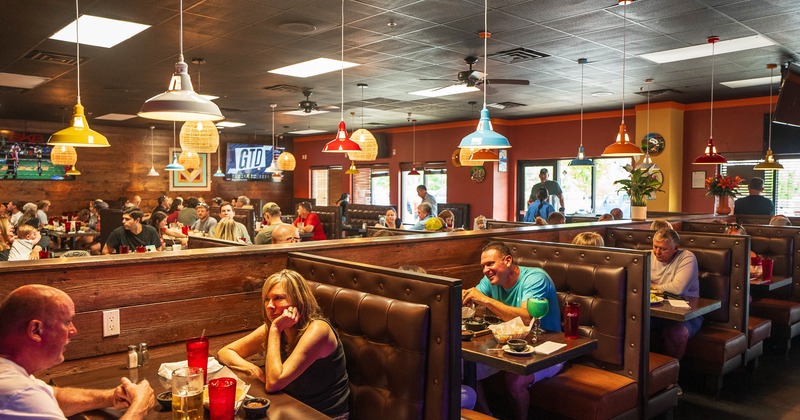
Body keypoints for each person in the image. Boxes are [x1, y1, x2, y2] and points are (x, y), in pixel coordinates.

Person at [0, 284, 155, 418]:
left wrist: (111, 397)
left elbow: (54, 396)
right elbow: (33, 397)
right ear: (36, 330)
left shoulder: (12, 374)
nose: (74, 330)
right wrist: (139, 406)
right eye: (67, 322)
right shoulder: (19, 392)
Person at [218, 269, 350, 418]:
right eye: (267, 299)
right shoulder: (275, 327)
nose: (269, 306)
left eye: (278, 298)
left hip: (323, 415)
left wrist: (275, 330)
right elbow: (225, 352)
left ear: (298, 301)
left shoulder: (318, 330)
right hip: (289, 407)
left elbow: (274, 384)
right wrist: (252, 368)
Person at [461, 242, 561, 420]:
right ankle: (488, 415)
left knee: (515, 380)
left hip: (549, 350)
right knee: (467, 369)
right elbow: (475, 297)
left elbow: (527, 318)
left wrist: (486, 300)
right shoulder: (491, 280)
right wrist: (465, 299)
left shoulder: (535, 278)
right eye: (483, 266)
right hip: (511, 348)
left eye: (490, 264)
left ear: (508, 260)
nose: (485, 270)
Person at [398, 264, 477, 410]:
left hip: (404, 387)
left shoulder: (392, 310)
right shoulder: (421, 315)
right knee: (469, 394)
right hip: (416, 391)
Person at [650, 228, 701, 359]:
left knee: (677, 333)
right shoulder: (648, 256)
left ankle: (673, 370)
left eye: (663, 249)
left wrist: (651, 286)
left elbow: (678, 289)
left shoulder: (687, 257)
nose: (657, 252)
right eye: (655, 247)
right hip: (655, 312)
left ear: (676, 248)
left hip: (687, 314)